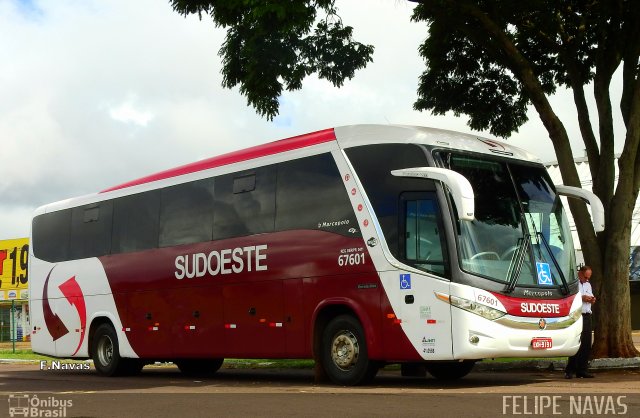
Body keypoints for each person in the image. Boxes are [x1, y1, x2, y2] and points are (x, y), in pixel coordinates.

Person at [565, 265, 596, 379]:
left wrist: (592, 299)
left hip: (587, 314)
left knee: (586, 344)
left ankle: (582, 370)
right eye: (585, 277)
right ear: (580, 273)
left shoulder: (588, 284)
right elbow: (570, 298)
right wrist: (581, 298)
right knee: (576, 342)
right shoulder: (574, 284)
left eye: (589, 277)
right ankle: (570, 370)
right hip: (577, 315)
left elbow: (591, 296)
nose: (587, 279)